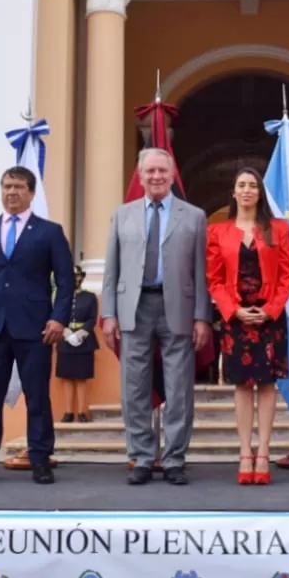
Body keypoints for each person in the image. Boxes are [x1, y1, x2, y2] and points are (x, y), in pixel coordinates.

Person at [0, 166, 74, 485]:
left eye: (19, 187)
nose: (12, 192)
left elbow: (64, 281)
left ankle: (40, 458)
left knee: (37, 397)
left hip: (35, 328)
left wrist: (59, 318)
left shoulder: (49, 232)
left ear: (31, 193)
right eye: (7, 186)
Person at [101, 148, 211, 486]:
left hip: (177, 306)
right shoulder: (123, 215)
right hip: (133, 306)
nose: (156, 177)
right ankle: (141, 457)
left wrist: (202, 317)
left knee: (179, 387)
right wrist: (108, 313)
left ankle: (175, 458)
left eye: (162, 171)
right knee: (133, 387)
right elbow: (112, 268)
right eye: (150, 171)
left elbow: (201, 271)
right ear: (140, 175)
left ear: (172, 173)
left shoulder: (194, 216)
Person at [206, 168, 289, 486]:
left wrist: (270, 310)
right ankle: (245, 451)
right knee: (242, 386)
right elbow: (214, 279)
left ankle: (264, 451)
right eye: (241, 184)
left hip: (270, 317)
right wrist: (233, 311)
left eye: (252, 185)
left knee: (267, 385)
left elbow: (287, 275)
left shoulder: (279, 229)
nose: (246, 190)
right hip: (236, 320)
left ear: (260, 193)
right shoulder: (217, 232)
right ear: (233, 192)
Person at [56, 265, 99, 424]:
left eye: (77, 275)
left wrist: (81, 334)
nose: (75, 279)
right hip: (65, 339)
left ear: (82, 277)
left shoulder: (90, 297)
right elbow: (57, 316)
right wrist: (66, 333)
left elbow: (92, 319)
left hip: (84, 341)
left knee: (82, 377)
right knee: (66, 377)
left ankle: (82, 411)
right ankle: (68, 412)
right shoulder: (61, 297)